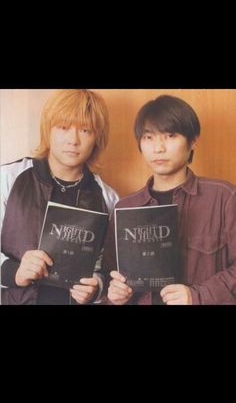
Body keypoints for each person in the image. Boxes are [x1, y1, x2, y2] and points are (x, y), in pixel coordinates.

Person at [101, 94, 236, 305]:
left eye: (170, 136)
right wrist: (114, 295)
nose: (158, 148)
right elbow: (109, 277)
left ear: (193, 140)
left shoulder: (223, 197)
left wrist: (196, 296)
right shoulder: (125, 208)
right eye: (148, 137)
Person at [1, 89, 119, 305]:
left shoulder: (109, 198)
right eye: (63, 127)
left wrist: (97, 288)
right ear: (48, 130)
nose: (73, 140)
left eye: (85, 130)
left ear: (97, 138)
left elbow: (111, 270)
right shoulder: (8, 178)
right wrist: (13, 271)